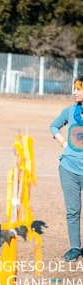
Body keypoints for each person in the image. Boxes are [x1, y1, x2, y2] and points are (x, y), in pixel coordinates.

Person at [50, 76, 83, 262]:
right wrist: (62, 141)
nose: (74, 92)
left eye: (79, 88)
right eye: (74, 88)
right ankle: (75, 248)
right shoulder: (70, 111)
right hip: (68, 168)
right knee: (73, 210)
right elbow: (54, 125)